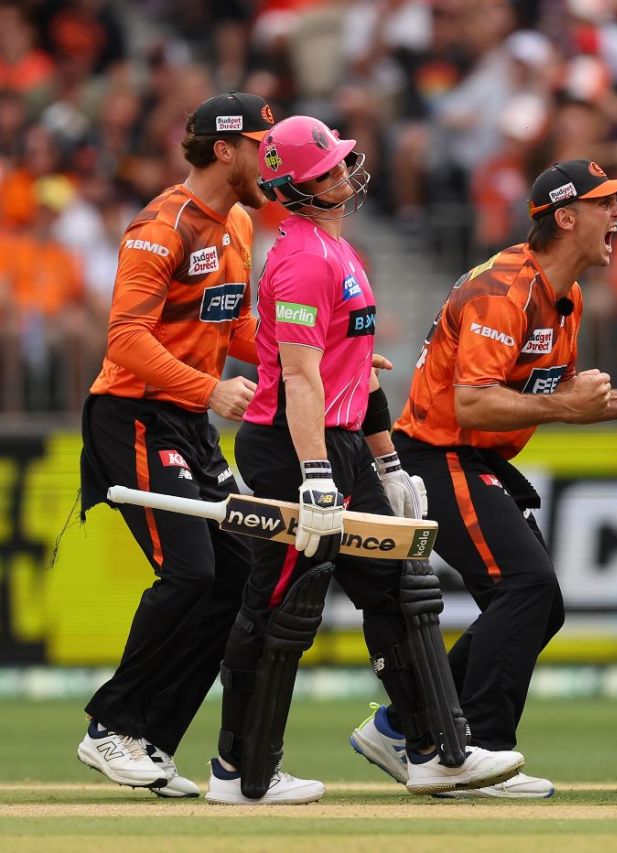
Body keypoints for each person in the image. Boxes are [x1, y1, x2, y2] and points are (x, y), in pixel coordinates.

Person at [208, 115, 524, 806]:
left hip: (341, 445)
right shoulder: (298, 258)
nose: (344, 175)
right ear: (296, 187)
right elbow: (298, 378)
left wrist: (386, 465)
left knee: (399, 592)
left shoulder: (339, 251)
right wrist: (317, 475)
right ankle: (237, 768)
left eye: (343, 163)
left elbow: (359, 373)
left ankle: (435, 752)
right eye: (328, 170)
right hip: (291, 447)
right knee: (278, 605)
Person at [348, 160, 617, 799]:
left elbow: (544, 392)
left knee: (539, 602)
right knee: (527, 587)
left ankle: (404, 725)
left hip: (468, 458)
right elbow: (475, 403)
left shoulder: (565, 293)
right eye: (605, 205)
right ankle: (474, 753)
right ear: (564, 216)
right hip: (438, 454)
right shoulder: (504, 291)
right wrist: (568, 406)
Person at [75, 92, 273, 798]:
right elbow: (124, 338)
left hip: (185, 418)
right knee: (189, 570)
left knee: (238, 574)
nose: (269, 154)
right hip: (131, 414)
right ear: (225, 149)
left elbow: (236, 329)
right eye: (261, 141)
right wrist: (211, 390)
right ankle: (110, 726)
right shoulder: (161, 227)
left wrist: (321, 352)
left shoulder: (242, 221)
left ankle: (152, 736)